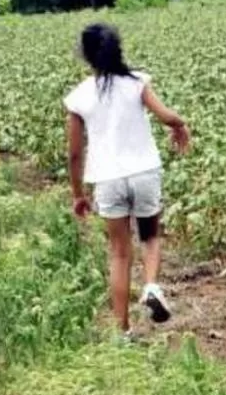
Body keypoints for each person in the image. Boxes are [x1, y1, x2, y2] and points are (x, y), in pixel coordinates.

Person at [64, 23, 190, 341]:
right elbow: (166, 115)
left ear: (86, 56)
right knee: (149, 236)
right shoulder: (136, 83)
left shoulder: (79, 97)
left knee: (119, 253)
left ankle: (123, 332)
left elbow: (75, 154)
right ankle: (151, 286)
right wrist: (180, 126)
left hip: (107, 180)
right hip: (145, 172)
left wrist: (78, 195)